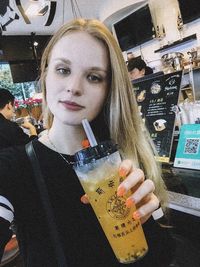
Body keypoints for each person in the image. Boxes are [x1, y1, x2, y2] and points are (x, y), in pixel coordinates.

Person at [0, 19, 174, 267]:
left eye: (93, 77)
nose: (73, 87)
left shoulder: (123, 161)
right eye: (63, 70)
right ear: (46, 74)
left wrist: (150, 213)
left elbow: (163, 256)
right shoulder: (14, 168)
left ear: (109, 88)